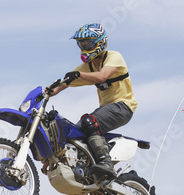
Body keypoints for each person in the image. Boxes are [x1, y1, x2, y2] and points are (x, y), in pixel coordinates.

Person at [47, 23, 138, 179]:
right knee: (74, 133)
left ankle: (105, 163)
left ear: (99, 42)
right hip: (106, 109)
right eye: (81, 43)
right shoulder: (87, 67)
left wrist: (79, 75)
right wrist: (45, 93)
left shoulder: (114, 57)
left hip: (123, 106)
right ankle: (87, 169)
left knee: (89, 122)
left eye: (87, 42)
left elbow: (102, 76)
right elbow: (63, 84)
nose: (84, 46)